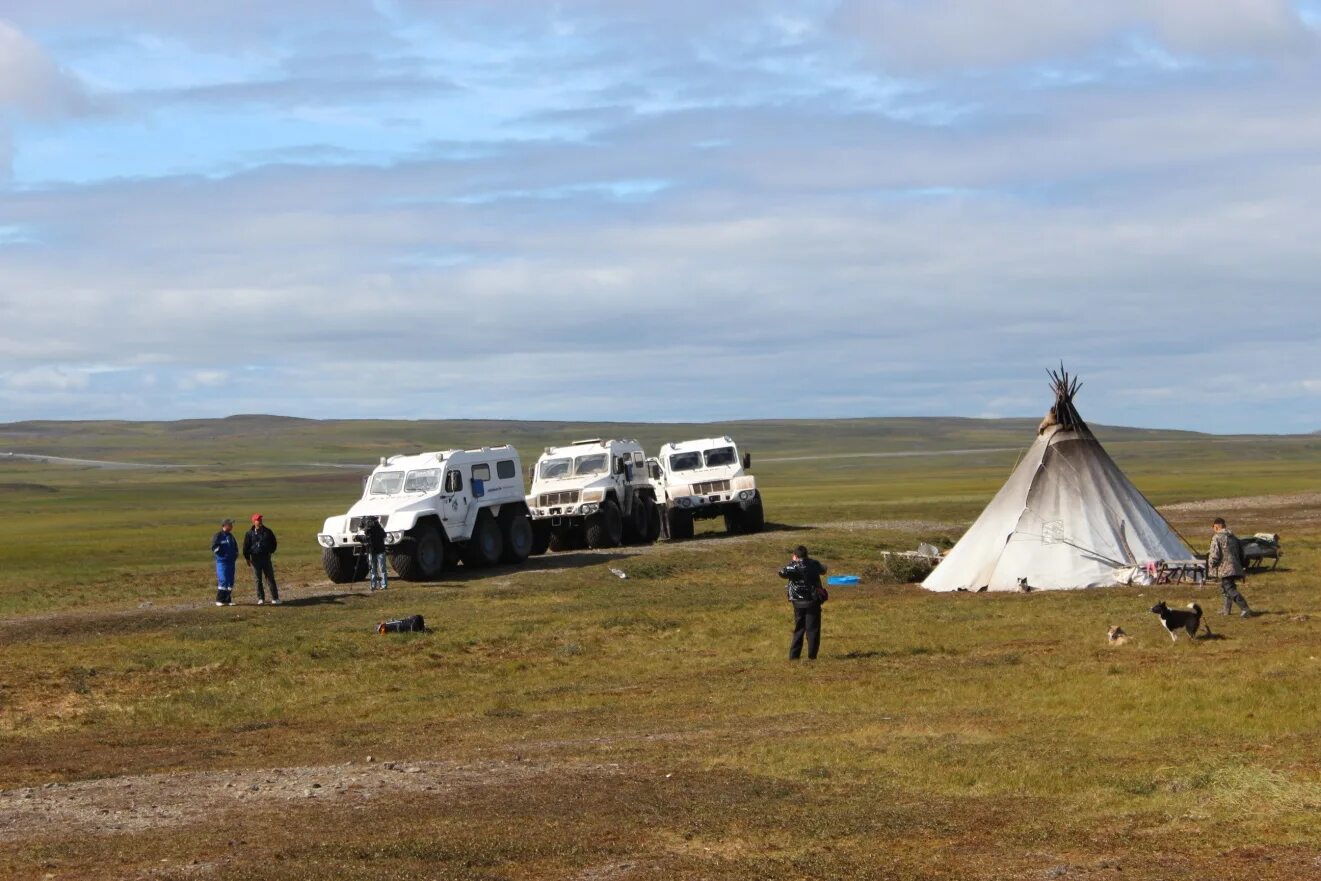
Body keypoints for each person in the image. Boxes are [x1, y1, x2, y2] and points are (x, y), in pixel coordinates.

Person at [779, 544, 828, 660]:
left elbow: (781, 573)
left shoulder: (793, 567)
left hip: (797, 602)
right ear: (806, 555)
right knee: (813, 629)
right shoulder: (814, 564)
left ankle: (794, 655)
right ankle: (812, 656)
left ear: (795, 555)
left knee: (799, 628)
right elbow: (824, 569)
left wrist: (793, 563)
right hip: (813, 601)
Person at [1209, 517, 1252, 617]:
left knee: (1230, 589)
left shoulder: (1217, 537)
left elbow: (1215, 555)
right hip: (1236, 567)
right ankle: (1226, 610)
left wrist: (1211, 564)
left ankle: (1245, 608)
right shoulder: (1234, 537)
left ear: (1216, 527)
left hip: (1225, 568)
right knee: (1225, 588)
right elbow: (1242, 553)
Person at [243, 513, 281, 605]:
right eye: (258, 520)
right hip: (255, 559)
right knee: (258, 579)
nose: (260, 521)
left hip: (266, 558)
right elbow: (246, 546)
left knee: (270, 578)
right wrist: (247, 558)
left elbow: (274, 543)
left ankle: (275, 598)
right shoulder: (249, 534)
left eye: (260, 519)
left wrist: (270, 551)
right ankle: (261, 598)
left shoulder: (268, 531)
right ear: (253, 521)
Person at [356, 515, 389, 592]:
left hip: (378, 551)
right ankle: (377, 585)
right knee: (375, 569)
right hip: (373, 551)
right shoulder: (374, 530)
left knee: (378, 569)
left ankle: (377, 585)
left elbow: (383, 535)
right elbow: (365, 539)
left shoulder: (376, 530)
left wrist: (361, 536)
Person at [210, 518, 239, 606]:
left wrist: (235, 554)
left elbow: (235, 546)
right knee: (223, 580)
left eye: (231, 524)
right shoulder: (218, 535)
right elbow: (214, 547)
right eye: (230, 524)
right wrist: (223, 554)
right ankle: (219, 599)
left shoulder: (231, 536)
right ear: (225, 525)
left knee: (230, 581)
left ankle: (227, 599)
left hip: (231, 562)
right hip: (222, 562)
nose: (231, 526)